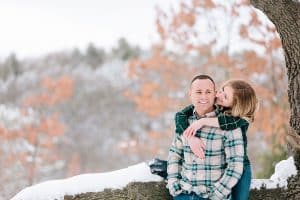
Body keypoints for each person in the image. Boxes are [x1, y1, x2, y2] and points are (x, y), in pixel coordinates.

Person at [175, 78, 258, 200]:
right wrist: (190, 137)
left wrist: (203, 121)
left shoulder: (239, 120)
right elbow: (180, 115)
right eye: (221, 90)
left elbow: (226, 123)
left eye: (225, 97)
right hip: (217, 165)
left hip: (239, 165)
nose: (218, 95)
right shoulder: (214, 102)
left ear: (235, 105)